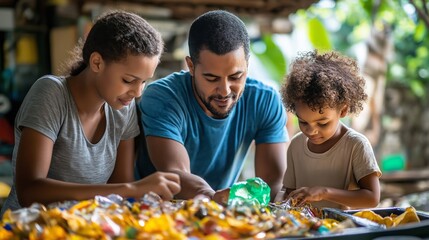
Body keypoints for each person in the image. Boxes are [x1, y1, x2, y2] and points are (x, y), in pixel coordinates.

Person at [1, 10, 181, 215]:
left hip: (83, 230)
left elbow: (119, 190)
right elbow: (30, 191)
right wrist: (132, 190)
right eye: (129, 80)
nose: (137, 92)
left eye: (144, 82)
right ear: (97, 63)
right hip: (26, 229)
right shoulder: (51, 93)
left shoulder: (122, 108)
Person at [135, 10, 288, 203]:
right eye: (211, 78)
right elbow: (174, 174)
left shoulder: (264, 100)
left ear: (247, 65)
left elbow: (271, 184)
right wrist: (214, 197)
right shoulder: (162, 97)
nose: (224, 91)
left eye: (235, 77)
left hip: (223, 213)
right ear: (190, 66)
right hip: (154, 212)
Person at [275, 50, 381, 209]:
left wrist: (324, 193)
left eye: (322, 123)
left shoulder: (355, 145)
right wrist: (277, 204)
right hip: (303, 230)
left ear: (343, 110)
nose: (311, 131)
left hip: (340, 230)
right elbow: (287, 191)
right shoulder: (296, 145)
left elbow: (372, 198)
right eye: (303, 122)